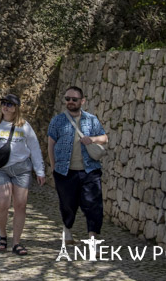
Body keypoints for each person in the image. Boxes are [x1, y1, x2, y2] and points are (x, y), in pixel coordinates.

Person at [0, 94, 45, 256]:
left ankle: (16, 242)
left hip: (21, 169)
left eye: (10, 104)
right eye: (3, 103)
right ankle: (2, 234)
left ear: (16, 108)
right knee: (2, 202)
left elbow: (34, 148)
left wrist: (40, 171)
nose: (6, 106)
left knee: (20, 205)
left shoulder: (25, 126)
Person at [47, 86, 108, 243]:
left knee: (93, 205)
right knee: (68, 204)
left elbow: (104, 138)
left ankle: (93, 239)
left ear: (82, 101)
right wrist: (53, 167)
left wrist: (92, 139)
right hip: (65, 171)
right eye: (67, 99)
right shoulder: (57, 121)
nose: (70, 102)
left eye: (74, 99)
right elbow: (51, 144)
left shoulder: (91, 120)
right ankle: (67, 229)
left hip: (90, 170)